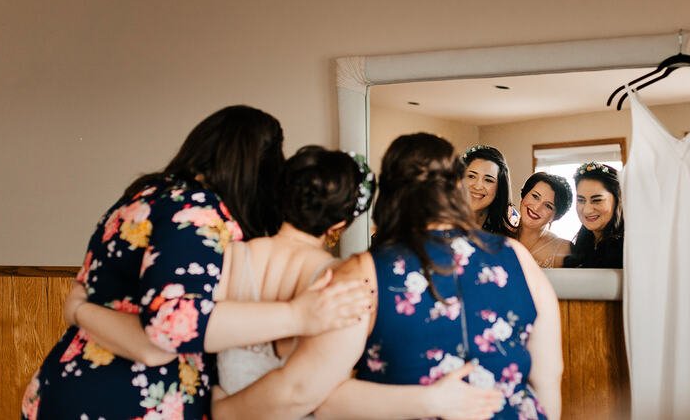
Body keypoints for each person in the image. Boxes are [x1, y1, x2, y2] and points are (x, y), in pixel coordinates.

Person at [60, 145, 499, 419]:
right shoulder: (334, 275)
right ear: (341, 221)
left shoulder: (233, 253)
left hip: (226, 397)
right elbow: (311, 374)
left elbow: (201, 327)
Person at [21, 106, 371, 420]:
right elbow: (168, 331)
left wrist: (80, 311)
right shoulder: (196, 212)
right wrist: (299, 314)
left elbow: (103, 296)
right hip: (129, 398)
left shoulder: (142, 197)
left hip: (68, 382)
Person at [213, 133, 563, 420]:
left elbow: (309, 393)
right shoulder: (518, 257)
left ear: (390, 193)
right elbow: (548, 377)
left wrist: (220, 411)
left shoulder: (365, 270)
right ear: (457, 188)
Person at [564, 161, 624, 269]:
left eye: (597, 200)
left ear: (617, 200)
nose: (587, 210)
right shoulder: (582, 245)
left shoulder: (627, 247)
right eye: (581, 200)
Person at [516, 172, 573, 268]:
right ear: (524, 195)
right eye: (535, 196)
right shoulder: (498, 233)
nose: (537, 208)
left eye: (548, 206)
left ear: (556, 216)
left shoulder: (563, 249)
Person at [461, 144, 520, 237]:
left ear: (499, 187)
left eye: (488, 180)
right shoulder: (439, 215)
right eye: (471, 176)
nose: (478, 186)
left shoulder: (510, 219)